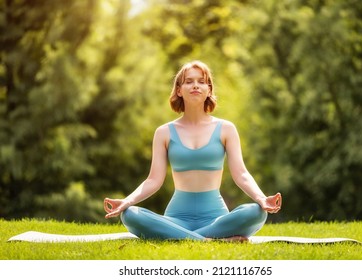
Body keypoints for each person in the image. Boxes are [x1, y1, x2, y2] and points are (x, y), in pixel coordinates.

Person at [104, 60, 282, 242]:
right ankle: (210, 240)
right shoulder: (164, 132)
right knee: (130, 214)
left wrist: (261, 198)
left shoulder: (226, 129)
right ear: (179, 90)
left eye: (201, 81)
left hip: (216, 219)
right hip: (176, 219)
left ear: (209, 89)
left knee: (256, 212)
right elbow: (153, 180)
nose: (195, 85)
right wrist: (127, 201)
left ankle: (181, 237)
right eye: (189, 81)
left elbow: (241, 174)